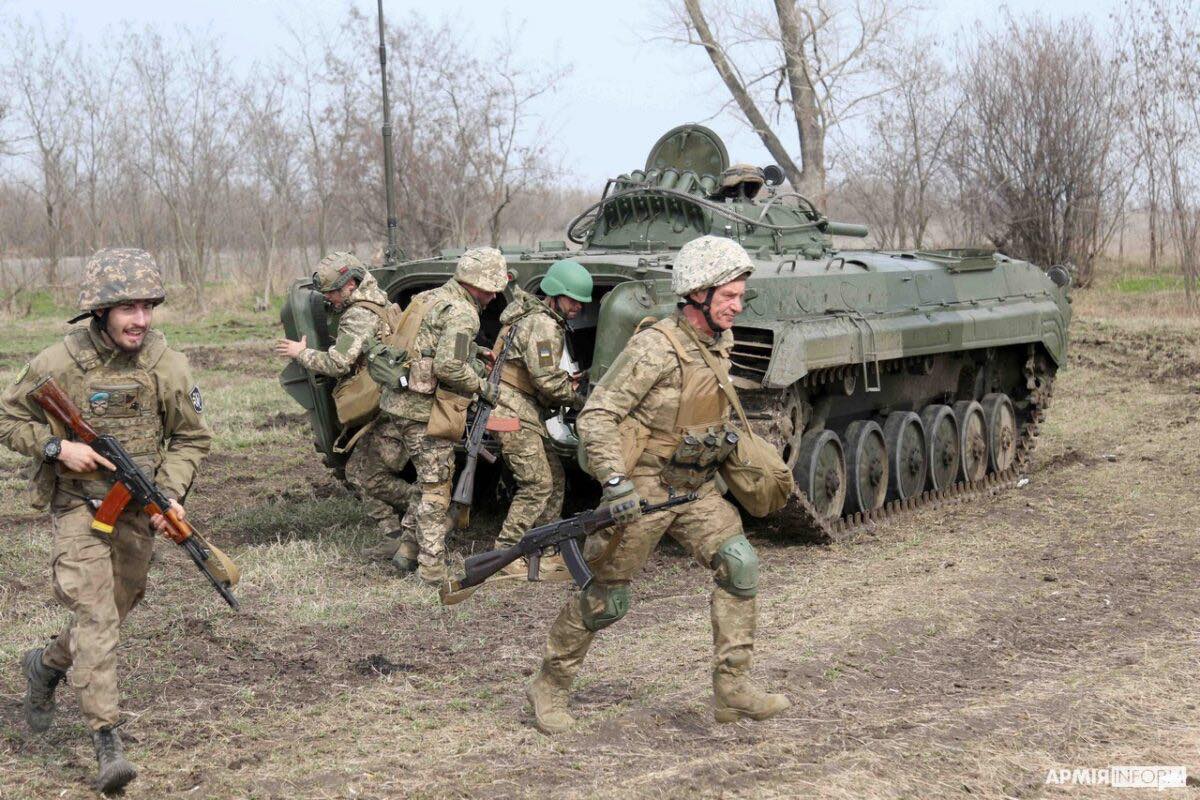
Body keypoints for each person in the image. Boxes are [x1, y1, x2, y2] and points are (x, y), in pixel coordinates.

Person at [525, 235, 790, 734]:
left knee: (740, 565)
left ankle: (731, 689)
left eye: (739, 294)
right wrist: (616, 481)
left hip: (697, 486)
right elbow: (598, 415)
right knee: (606, 599)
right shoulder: (654, 349)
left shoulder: (718, 343)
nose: (738, 304)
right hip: (643, 489)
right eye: (729, 295)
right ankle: (549, 686)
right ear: (697, 294)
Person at [0, 248, 212, 792]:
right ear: (99, 310)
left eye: (147, 306)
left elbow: (191, 437)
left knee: (115, 612)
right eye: (127, 308)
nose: (140, 319)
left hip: (135, 511)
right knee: (96, 618)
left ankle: (46, 664)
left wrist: (168, 493)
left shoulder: (166, 364)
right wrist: (54, 446)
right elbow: (8, 417)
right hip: (77, 505)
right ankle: (106, 741)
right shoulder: (57, 363)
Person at [274, 251, 417, 559]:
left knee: (366, 475)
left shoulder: (358, 314)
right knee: (358, 471)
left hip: (388, 408)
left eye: (334, 293)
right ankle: (396, 532)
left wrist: (301, 353)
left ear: (350, 284)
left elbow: (338, 363)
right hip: (387, 402)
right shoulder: (378, 297)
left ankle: (428, 509)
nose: (331, 300)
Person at [380, 246, 507, 585]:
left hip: (398, 402)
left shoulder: (429, 297)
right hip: (423, 412)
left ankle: (407, 551)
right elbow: (448, 366)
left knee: (425, 479)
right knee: (437, 488)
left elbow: (425, 343)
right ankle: (432, 567)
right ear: (476, 284)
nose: (495, 295)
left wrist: (475, 351)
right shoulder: (464, 312)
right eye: (492, 287)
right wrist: (484, 387)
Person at [488, 259, 591, 574]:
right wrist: (579, 399)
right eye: (572, 300)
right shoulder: (543, 324)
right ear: (556, 295)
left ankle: (545, 549)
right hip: (511, 412)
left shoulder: (539, 318)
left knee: (554, 478)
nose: (577, 307)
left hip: (522, 410)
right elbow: (547, 381)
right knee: (536, 483)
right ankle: (504, 554)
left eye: (580, 302)